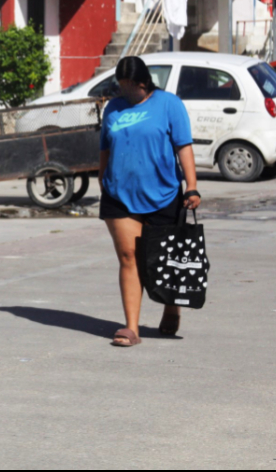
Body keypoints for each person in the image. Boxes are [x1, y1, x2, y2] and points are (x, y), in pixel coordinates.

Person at [98, 56, 201, 347]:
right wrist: (103, 179)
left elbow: (183, 146)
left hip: (163, 194)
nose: (126, 91)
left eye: (131, 85)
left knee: (164, 259)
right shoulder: (113, 108)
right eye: (122, 85)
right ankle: (131, 328)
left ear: (144, 82)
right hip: (119, 195)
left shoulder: (169, 104)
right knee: (129, 257)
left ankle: (171, 306)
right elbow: (105, 147)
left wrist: (192, 187)